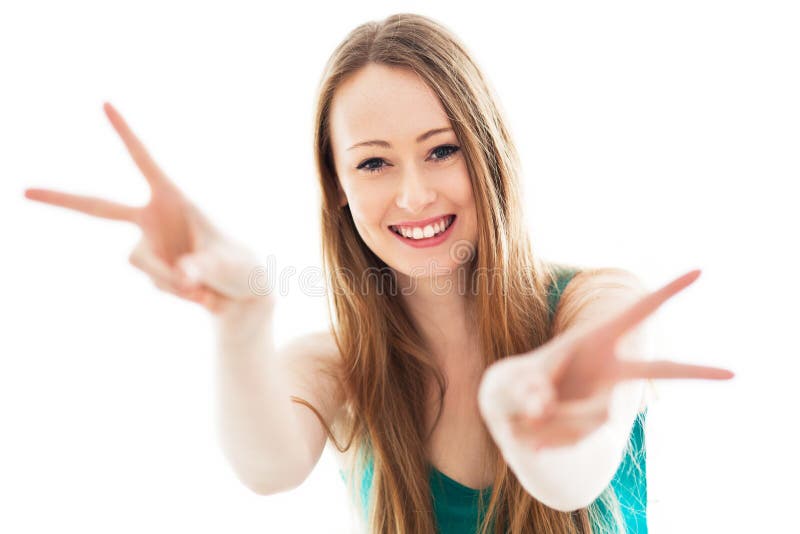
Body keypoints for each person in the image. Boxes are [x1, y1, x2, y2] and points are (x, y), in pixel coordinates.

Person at [24, 13, 733, 534]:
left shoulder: (598, 303)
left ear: (488, 154)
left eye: (442, 150)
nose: (415, 195)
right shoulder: (339, 363)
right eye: (373, 162)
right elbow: (267, 468)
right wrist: (241, 323)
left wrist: (529, 419)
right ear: (336, 185)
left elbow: (570, 477)